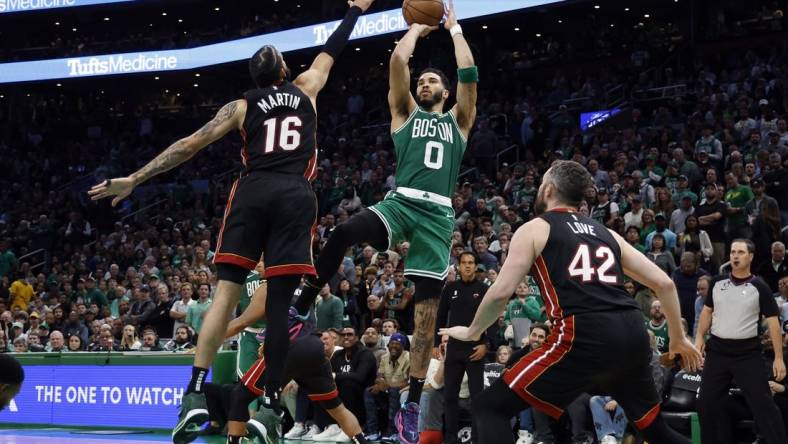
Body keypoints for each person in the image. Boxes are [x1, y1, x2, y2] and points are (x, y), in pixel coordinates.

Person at [89, 0, 376, 424]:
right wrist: (353, 9)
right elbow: (333, 46)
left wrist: (135, 178)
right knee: (280, 307)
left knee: (225, 293)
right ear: (283, 72)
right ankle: (274, 396)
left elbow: (188, 145)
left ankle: (194, 392)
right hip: (295, 195)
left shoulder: (241, 106)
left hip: (253, 190)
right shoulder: (307, 86)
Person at [292, 4, 478, 443]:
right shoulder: (404, 112)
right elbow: (398, 62)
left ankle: (412, 401)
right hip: (401, 203)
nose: (424, 83)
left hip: (437, 214)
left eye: (432, 80)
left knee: (426, 314)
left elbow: (468, 72)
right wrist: (414, 28)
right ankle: (302, 301)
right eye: (422, 81)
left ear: (446, 93)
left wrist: (454, 30)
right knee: (343, 232)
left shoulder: (460, 121)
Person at [440, 160, 700, 444]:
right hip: (632, 333)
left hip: (583, 333)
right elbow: (664, 283)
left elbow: (501, 292)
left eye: (541, 185)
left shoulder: (535, 228)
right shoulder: (606, 233)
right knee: (654, 429)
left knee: (489, 406)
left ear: (549, 190)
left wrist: (472, 331)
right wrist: (678, 337)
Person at [694, 239, 787, 444]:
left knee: (763, 405)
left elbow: (773, 322)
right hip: (717, 352)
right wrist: (700, 337)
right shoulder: (717, 282)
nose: (735, 256)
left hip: (747, 353)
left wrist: (778, 358)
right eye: (733, 252)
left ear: (751, 257)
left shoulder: (759, 286)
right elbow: (707, 310)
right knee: (705, 403)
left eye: (740, 252)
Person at [435, 251, 488, 444]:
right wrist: (435, 343)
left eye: (471, 263)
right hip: (455, 349)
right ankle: (450, 439)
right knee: (449, 396)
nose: (467, 266)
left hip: (475, 349)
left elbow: (491, 320)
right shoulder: (450, 288)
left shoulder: (483, 289)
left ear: (476, 266)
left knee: (477, 398)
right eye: (464, 262)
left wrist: (486, 345)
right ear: (458, 266)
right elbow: (440, 316)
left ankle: (477, 438)